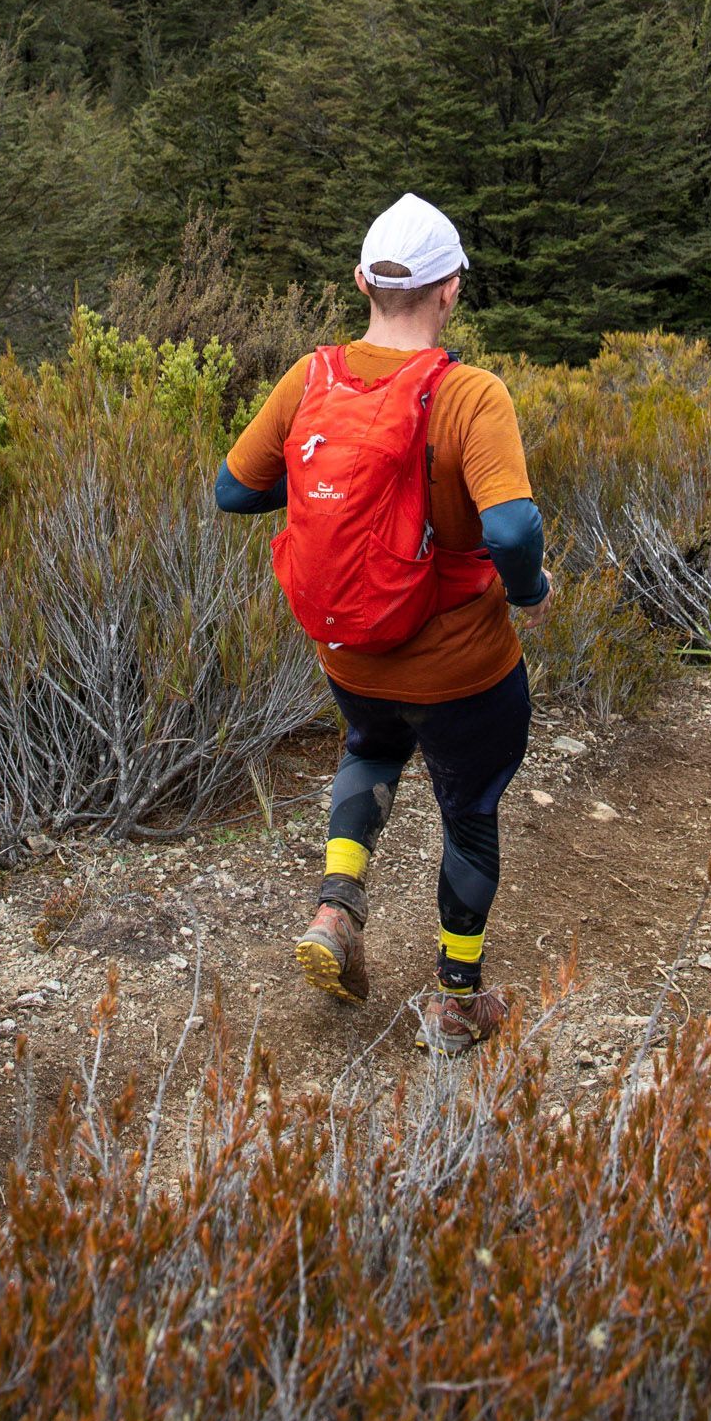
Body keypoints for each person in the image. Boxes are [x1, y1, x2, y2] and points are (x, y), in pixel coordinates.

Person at [215, 192, 551, 1056]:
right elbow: (512, 528)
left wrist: (338, 494)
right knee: (468, 809)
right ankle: (454, 1001)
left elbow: (233, 489)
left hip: (350, 652)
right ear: (450, 292)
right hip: (460, 669)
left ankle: (336, 911)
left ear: (362, 281)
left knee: (369, 749)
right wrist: (530, 590)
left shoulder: (310, 376)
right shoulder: (472, 395)